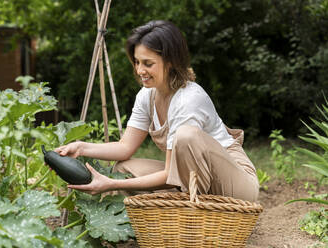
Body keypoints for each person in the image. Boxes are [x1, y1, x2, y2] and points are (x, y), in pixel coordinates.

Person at [55, 20, 259, 202]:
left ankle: (186, 207)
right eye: (136, 62)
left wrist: (112, 184)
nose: (139, 70)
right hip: (191, 178)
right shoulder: (147, 95)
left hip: (235, 183)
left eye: (147, 63)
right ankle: (180, 203)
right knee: (122, 169)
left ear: (170, 62)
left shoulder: (189, 99)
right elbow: (125, 147)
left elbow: (170, 172)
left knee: (186, 136)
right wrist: (80, 147)